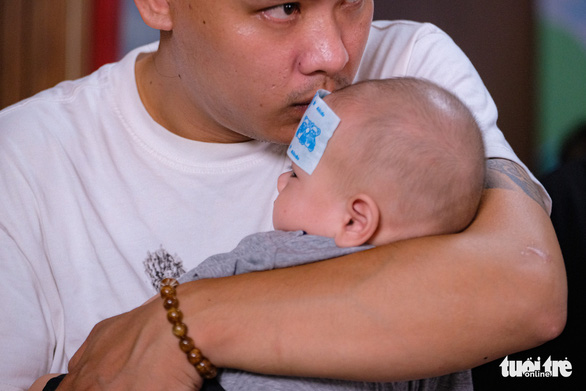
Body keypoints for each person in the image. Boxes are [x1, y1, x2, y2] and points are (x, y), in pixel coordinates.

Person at [0, 1, 565, 390]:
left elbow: (527, 286)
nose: (335, 55)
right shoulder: (22, 164)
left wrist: (182, 323)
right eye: (282, 7)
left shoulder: (411, 74)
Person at [174, 77, 486, 391]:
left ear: (354, 221)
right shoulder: (440, 315)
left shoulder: (275, 255)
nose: (281, 181)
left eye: (295, 174)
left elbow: (176, 306)